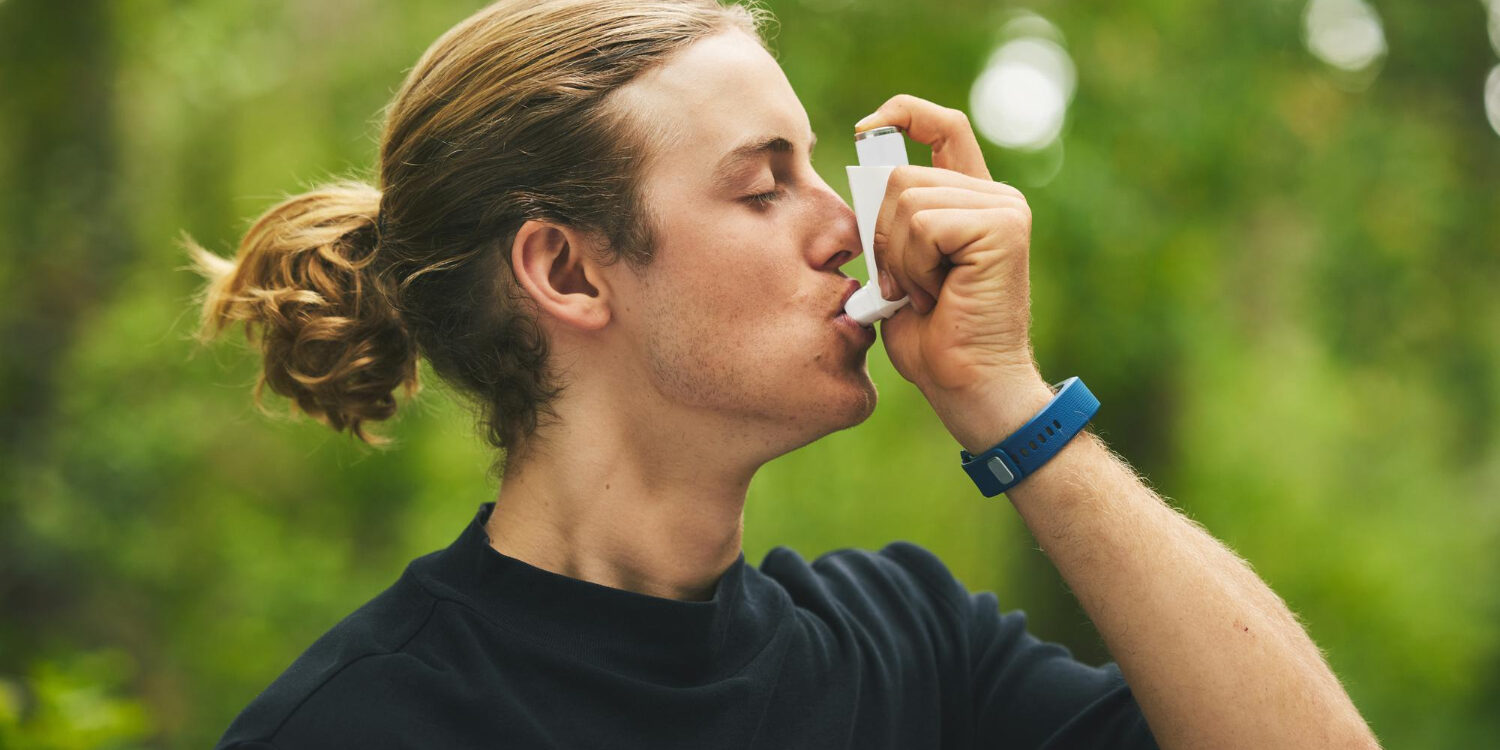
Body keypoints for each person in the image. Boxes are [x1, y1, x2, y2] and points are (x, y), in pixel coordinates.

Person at [190, 1, 1380, 748]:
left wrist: (1007, 402)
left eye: (821, 171)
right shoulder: (359, 724)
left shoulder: (913, 646)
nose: (853, 229)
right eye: (765, 185)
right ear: (567, 270)